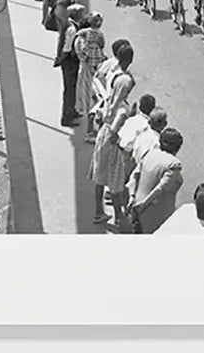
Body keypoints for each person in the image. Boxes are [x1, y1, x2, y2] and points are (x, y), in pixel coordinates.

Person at [90, 42, 135, 225]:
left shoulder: (113, 82)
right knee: (115, 183)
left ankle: (99, 212)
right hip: (111, 140)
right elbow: (115, 130)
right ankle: (119, 217)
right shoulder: (122, 109)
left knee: (99, 178)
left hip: (102, 134)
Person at [128, 126, 184, 233]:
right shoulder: (173, 164)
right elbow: (160, 188)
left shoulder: (149, 154)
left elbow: (134, 175)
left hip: (137, 207)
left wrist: (132, 197)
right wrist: (144, 204)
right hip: (158, 214)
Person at [54, 3, 88, 126]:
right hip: (69, 62)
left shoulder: (68, 23)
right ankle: (66, 118)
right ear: (76, 15)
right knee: (70, 90)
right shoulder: (72, 29)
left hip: (68, 61)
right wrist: (60, 60)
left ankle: (71, 111)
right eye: (81, 14)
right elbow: (67, 47)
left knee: (72, 88)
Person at [74, 13, 107, 136]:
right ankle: (89, 131)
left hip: (94, 70)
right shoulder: (80, 41)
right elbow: (83, 55)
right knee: (90, 101)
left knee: (97, 99)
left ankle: (94, 127)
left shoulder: (85, 38)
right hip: (88, 71)